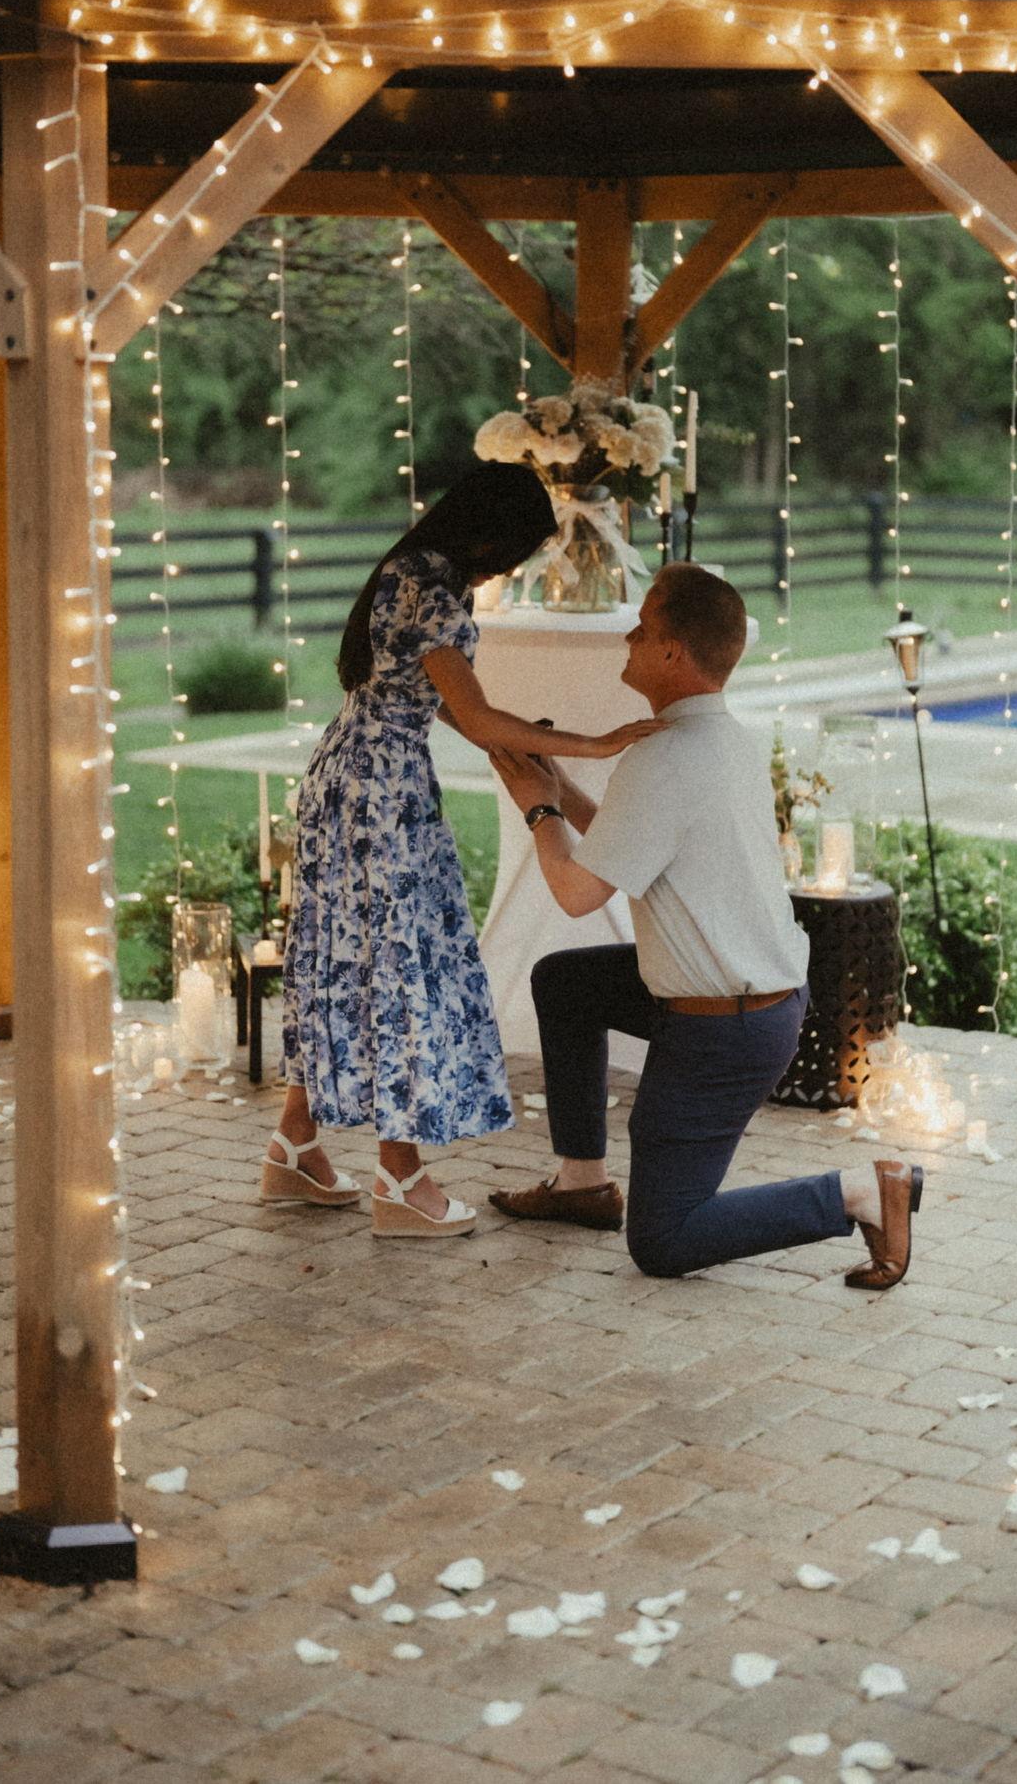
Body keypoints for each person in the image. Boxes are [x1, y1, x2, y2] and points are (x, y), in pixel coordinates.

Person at [487, 562, 922, 1289]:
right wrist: (556, 787)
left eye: (642, 628)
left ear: (671, 652)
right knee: (566, 982)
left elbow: (575, 892)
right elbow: (628, 843)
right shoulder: (720, 738)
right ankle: (582, 1182)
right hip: (754, 1001)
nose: (629, 637)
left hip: (724, 1028)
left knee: (664, 1240)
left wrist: (537, 807)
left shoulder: (665, 757)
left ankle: (859, 1192)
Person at [266, 462, 667, 1238]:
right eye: (513, 552)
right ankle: (401, 1178)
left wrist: (511, 740)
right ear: (488, 535)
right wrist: (593, 742)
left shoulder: (405, 568)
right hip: (385, 794)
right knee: (403, 968)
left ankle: (295, 1146)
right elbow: (475, 716)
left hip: (342, 774)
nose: (506, 569)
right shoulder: (438, 589)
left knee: (343, 955)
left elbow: (436, 699)